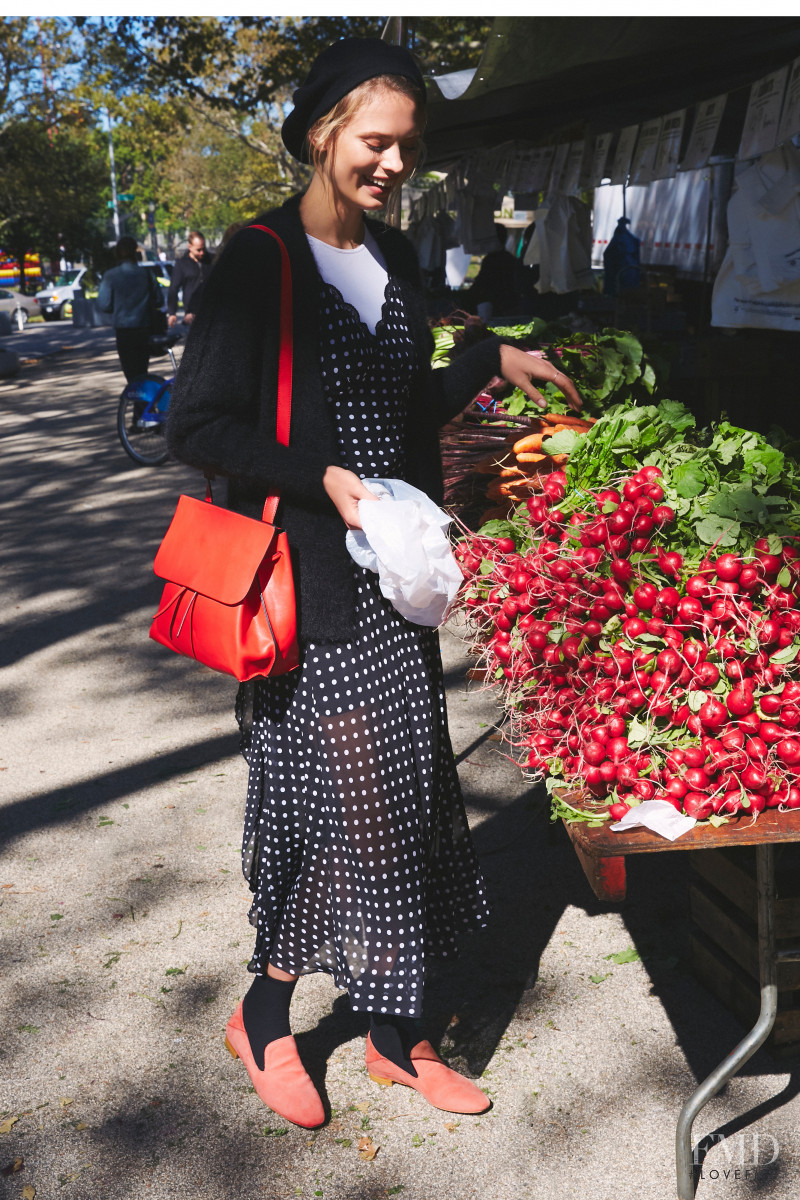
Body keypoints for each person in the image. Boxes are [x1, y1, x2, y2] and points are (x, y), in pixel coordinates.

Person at [166, 36, 581, 1131]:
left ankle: (397, 1038)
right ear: (319, 134)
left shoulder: (393, 261)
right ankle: (264, 1015)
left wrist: (489, 363)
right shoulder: (259, 258)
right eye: (374, 141)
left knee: (404, 806)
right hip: (301, 591)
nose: (393, 162)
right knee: (331, 809)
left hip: (391, 586)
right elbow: (196, 423)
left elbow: (403, 416)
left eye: (406, 145)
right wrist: (326, 482)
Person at [97, 236, 162, 383]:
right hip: (144, 328)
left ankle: (139, 403)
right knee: (142, 370)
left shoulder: (110, 276)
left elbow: (103, 305)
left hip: (124, 331)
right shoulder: (146, 274)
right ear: (135, 252)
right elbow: (159, 300)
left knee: (131, 375)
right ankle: (144, 404)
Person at [462, 223, 527, 319]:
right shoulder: (511, 260)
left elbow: (481, 285)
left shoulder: (491, 260)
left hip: (495, 310)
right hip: (510, 309)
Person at [167, 230, 213, 326]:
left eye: (203, 249)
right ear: (190, 247)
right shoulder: (182, 264)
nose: (202, 253)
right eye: (198, 250)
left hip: (211, 310)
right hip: (192, 313)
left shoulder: (211, 260)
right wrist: (172, 313)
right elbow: (173, 288)